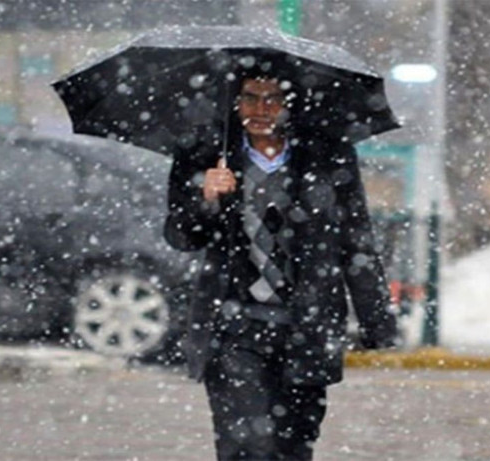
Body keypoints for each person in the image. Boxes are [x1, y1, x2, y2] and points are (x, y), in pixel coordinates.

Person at [164, 68, 398, 460]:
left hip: (307, 327)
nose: (261, 109)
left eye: (273, 98)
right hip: (234, 328)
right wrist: (205, 199)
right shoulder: (205, 154)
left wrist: (377, 322)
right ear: (233, 104)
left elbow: (356, 240)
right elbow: (181, 237)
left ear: (292, 105)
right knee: (247, 443)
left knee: (293, 444)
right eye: (250, 98)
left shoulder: (328, 157)